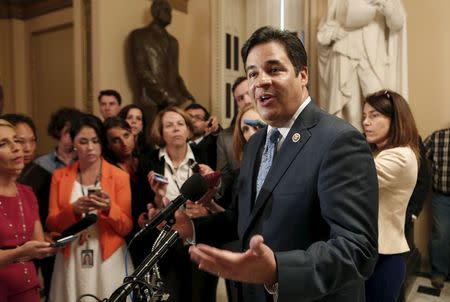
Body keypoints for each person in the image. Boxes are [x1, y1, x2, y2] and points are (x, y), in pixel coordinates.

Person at [153, 26, 379, 302]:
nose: (260, 81)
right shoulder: (257, 143)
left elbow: (357, 248)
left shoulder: (339, 141)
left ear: (303, 74)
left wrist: (278, 270)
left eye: (274, 70)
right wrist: (192, 227)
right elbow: (244, 217)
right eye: (252, 73)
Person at [46, 114, 133, 302]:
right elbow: (52, 223)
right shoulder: (60, 176)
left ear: (102, 143)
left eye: (95, 141)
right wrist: (73, 210)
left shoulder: (119, 176)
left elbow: (126, 227)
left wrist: (110, 209)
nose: (90, 147)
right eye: (83, 141)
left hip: (108, 255)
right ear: (74, 143)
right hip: (72, 255)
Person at [146, 106, 218, 302]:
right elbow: (147, 209)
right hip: (166, 245)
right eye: (169, 125)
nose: (176, 128)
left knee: (201, 297)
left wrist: (206, 208)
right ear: (160, 133)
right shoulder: (150, 161)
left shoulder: (206, 155)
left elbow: (222, 202)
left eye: (180, 124)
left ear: (188, 129)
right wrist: (159, 198)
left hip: (201, 243)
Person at [362, 90, 420, 302]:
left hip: (384, 257)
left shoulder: (401, 156)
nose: (366, 122)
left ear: (396, 119)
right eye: (364, 116)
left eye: (374, 115)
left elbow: (352, 177)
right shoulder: (378, 152)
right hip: (373, 252)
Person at [317, 0, 407, 131]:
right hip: (344, 52)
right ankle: (353, 148)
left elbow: (398, 23)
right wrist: (333, 32)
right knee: (351, 112)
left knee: (380, 106)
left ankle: (382, 146)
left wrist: (385, 4)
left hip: (373, 57)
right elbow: (324, 31)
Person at [0, 119, 55, 302]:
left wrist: (51, 244)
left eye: (16, 140)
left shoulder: (27, 193)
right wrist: (20, 252)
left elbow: (37, 242)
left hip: (29, 289)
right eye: (4, 144)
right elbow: (26, 250)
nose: (17, 148)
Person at [129, 0, 195, 130]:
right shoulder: (139, 36)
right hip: (150, 101)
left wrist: (186, 94)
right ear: (155, 12)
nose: (170, 14)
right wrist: (165, 96)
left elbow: (175, 74)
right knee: (154, 140)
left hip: (173, 102)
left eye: (170, 11)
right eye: (166, 11)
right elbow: (142, 71)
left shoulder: (173, 42)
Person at [103, 116, 153, 266]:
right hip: (124, 236)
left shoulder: (147, 161)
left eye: (126, 135)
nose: (124, 143)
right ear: (109, 145)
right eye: (116, 140)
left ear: (133, 135)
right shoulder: (109, 171)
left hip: (151, 230)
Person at [424, 127, 450, 289]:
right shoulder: (438, 137)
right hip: (442, 197)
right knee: (442, 234)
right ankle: (439, 272)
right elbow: (418, 153)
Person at [216, 76, 253, 174]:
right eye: (240, 98)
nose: (247, 101)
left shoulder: (278, 125)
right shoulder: (225, 138)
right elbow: (224, 179)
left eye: (249, 93)